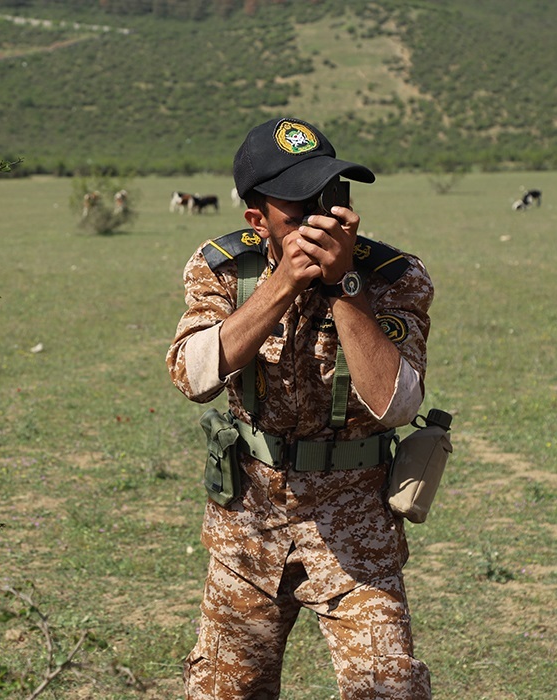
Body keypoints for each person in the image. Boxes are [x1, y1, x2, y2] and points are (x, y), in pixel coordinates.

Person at [166, 117, 434, 699]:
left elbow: (397, 404)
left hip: (356, 526)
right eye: (299, 212)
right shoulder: (222, 269)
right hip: (249, 527)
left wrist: (345, 288)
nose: (321, 222)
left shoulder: (394, 278)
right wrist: (283, 282)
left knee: (388, 690)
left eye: (332, 199)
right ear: (257, 220)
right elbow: (193, 375)